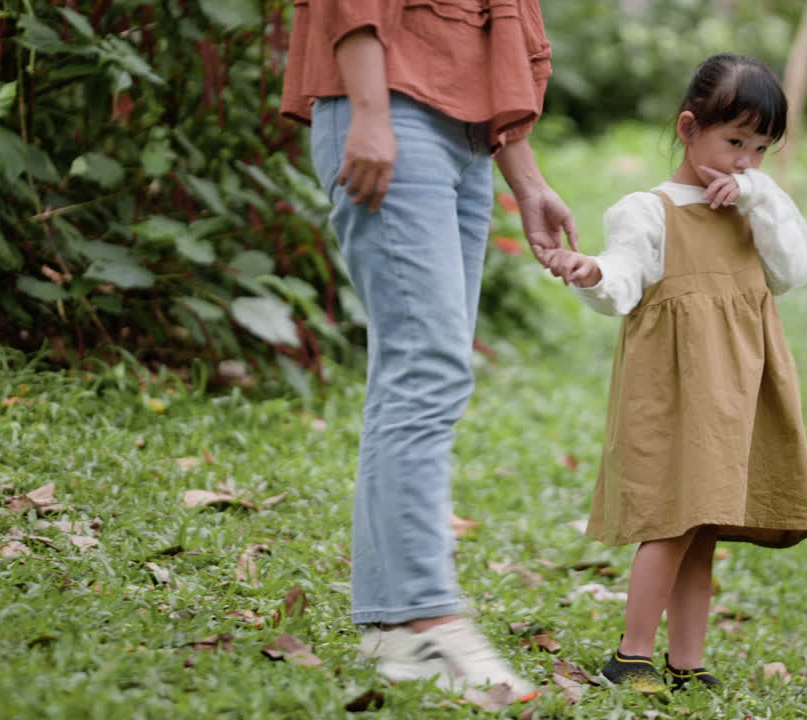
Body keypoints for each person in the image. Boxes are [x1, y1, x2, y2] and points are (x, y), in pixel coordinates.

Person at [279, 0, 577, 699]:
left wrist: (527, 182)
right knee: (429, 368)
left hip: (468, 139)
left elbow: (491, 39)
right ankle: (430, 617)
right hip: (393, 116)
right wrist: (370, 112)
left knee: (412, 368)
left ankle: (392, 626)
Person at [539, 53, 807, 693]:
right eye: (734, 142)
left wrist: (757, 198)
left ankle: (686, 662)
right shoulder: (647, 210)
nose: (745, 161)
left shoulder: (758, 206)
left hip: (738, 390)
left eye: (760, 148)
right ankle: (631, 655)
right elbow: (624, 277)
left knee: (704, 530)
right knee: (670, 522)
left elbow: (794, 271)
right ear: (689, 127)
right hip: (675, 391)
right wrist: (593, 274)